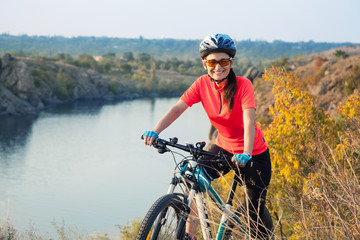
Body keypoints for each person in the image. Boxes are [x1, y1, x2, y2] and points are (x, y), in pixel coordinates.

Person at [143, 33, 272, 239]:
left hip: (254, 153)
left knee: (253, 212)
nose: (218, 67)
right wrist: (156, 131)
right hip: (223, 148)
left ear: (231, 62)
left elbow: (249, 121)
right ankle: (190, 236)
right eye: (212, 61)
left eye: (223, 61)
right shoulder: (202, 84)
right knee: (194, 180)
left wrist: (246, 153)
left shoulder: (243, 84)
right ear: (205, 63)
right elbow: (177, 109)